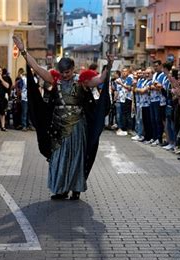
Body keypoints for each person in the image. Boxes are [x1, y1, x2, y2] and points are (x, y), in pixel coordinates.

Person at [13, 35, 113, 200]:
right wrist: (23, 51)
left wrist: (109, 64)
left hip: (77, 125)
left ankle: (76, 188)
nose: (65, 75)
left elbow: (101, 79)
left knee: (76, 156)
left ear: (73, 69)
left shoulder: (83, 81)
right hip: (58, 126)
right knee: (59, 156)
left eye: (67, 72)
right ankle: (60, 189)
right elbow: (37, 68)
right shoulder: (54, 79)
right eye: (62, 72)